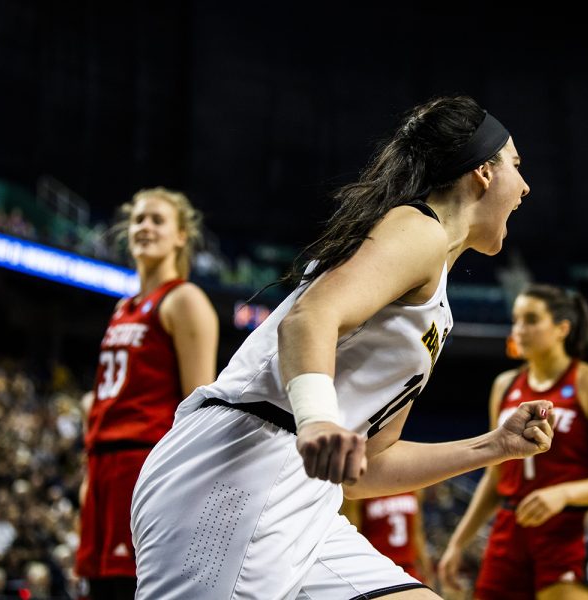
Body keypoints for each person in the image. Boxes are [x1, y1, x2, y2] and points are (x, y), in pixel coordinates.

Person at [130, 94, 555, 600]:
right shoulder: (419, 229)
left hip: (306, 490)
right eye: (516, 166)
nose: (525, 187)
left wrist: (492, 446)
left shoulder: (435, 297)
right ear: (483, 172)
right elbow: (311, 319)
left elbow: (368, 467)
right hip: (240, 469)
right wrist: (317, 423)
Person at [438, 283, 588, 599]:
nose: (519, 329)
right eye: (515, 320)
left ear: (562, 329)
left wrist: (563, 494)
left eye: (531, 320)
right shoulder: (504, 385)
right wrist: (458, 542)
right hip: (510, 526)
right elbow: (494, 474)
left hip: (570, 528)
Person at [75, 187, 219, 600]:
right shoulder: (123, 307)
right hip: (102, 468)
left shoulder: (184, 299)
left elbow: (199, 409)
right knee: (97, 589)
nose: (144, 227)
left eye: (157, 220)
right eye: (138, 219)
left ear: (180, 237)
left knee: (131, 588)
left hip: (142, 465)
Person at [341, 490, 435, 585]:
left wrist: (426, 570)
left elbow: (416, 532)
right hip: (375, 569)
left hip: (408, 567)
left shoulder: (414, 488)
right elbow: (351, 534)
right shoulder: (358, 490)